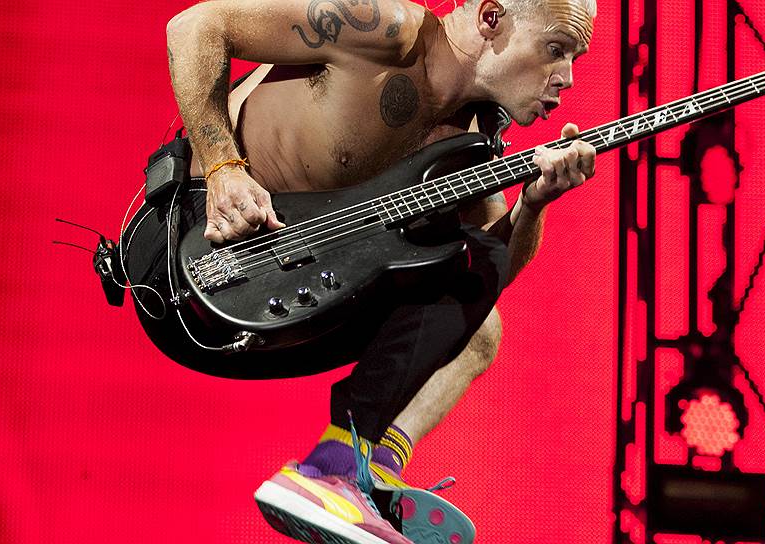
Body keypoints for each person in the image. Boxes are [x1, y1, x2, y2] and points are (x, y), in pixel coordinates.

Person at [161, 0, 596, 541]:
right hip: (193, 262)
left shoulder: (470, 139)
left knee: (480, 320)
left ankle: (360, 468)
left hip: (287, 310)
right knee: (465, 271)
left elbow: (484, 284)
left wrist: (533, 203)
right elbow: (194, 26)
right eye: (556, 49)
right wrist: (223, 169)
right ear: (491, 18)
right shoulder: (384, 29)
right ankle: (336, 470)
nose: (567, 78)